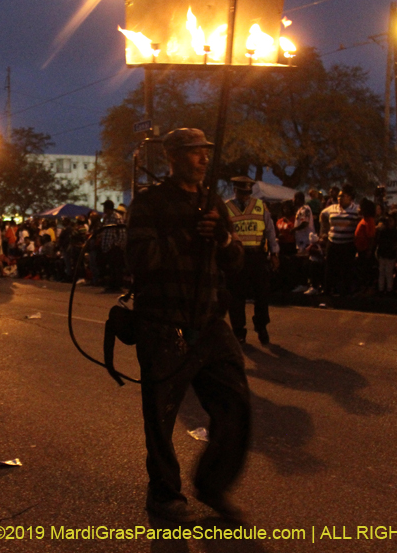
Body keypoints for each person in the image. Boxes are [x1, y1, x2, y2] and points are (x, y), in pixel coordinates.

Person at [127, 127, 250, 524]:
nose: (202, 159)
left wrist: (223, 241)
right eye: (194, 152)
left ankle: (212, 484)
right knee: (161, 418)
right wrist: (186, 237)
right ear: (173, 157)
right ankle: (164, 494)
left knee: (235, 406)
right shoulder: (149, 203)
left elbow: (235, 261)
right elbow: (142, 259)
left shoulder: (212, 203)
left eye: (205, 152)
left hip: (210, 322)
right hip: (164, 323)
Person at [225, 176, 279, 344]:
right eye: (242, 193)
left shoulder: (260, 206)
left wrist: (274, 253)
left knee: (262, 294)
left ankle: (261, 326)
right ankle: (239, 331)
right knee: (236, 296)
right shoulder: (226, 208)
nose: (245, 196)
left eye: (247, 193)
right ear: (235, 190)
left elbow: (270, 231)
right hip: (237, 257)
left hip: (257, 256)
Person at [319, 184, 360, 296]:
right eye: (339, 196)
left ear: (350, 197)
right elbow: (322, 215)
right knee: (330, 268)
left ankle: (345, 292)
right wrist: (324, 231)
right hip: (333, 243)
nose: (339, 198)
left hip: (347, 244)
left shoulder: (356, 209)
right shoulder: (332, 208)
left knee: (346, 269)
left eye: (342, 196)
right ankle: (327, 290)